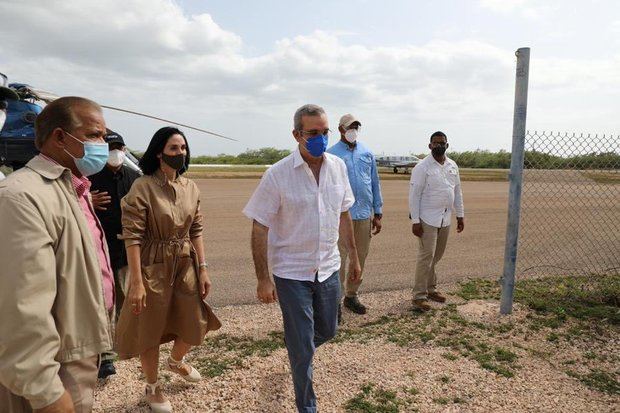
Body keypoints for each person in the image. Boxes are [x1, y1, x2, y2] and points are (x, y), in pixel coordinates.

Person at [243, 104, 361, 413]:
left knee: (328, 329)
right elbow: (259, 226)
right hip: (291, 273)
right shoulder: (277, 175)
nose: (320, 138)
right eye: (313, 133)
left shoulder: (338, 167)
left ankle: (299, 352)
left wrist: (355, 257)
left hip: (329, 267)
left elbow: (344, 214)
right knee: (302, 345)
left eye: (325, 133)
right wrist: (263, 277)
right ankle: (306, 404)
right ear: (297, 135)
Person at [0, 96, 114, 412]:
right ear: (59, 137)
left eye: (104, 136)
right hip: (54, 367)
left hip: (75, 352)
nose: (102, 144)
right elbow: (22, 308)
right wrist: (46, 391)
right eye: (93, 135)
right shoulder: (23, 196)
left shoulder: (73, 189)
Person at [115, 126, 221, 413]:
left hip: (184, 262)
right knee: (150, 328)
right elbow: (133, 236)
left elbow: (196, 228)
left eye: (183, 148)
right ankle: (152, 385)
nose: (180, 153)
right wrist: (137, 281)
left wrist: (203, 267)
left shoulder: (191, 187)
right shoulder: (143, 186)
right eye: (174, 149)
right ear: (159, 152)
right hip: (152, 262)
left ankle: (175, 362)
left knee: (194, 320)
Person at [89, 130, 141, 380]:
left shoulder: (134, 177)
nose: (115, 153)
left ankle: (128, 342)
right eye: (111, 148)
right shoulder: (88, 178)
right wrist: (87, 201)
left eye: (119, 148)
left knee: (127, 298)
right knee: (103, 302)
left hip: (126, 251)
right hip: (97, 250)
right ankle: (106, 356)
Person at [327, 114, 383, 320]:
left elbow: (375, 182)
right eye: (350, 127)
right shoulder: (331, 154)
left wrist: (378, 211)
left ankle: (352, 295)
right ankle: (335, 302)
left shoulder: (366, 152)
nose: (354, 130)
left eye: (356, 127)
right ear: (341, 129)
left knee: (360, 257)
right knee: (339, 260)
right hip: (341, 216)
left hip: (363, 214)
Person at [409, 131, 465, 311]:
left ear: (447, 145)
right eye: (435, 143)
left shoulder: (452, 165)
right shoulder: (422, 167)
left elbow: (457, 192)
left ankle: (431, 289)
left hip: (445, 218)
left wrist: (460, 215)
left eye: (442, 143)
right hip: (427, 219)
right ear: (430, 145)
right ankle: (418, 296)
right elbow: (414, 195)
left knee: (436, 256)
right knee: (426, 257)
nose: (439, 145)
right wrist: (415, 221)